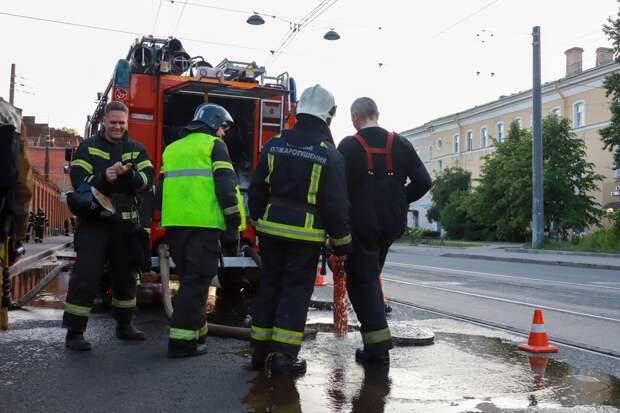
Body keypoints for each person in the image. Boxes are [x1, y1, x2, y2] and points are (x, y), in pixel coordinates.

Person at [248, 84, 352, 375]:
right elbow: (336, 205)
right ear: (329, 115)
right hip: (304, 237)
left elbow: (257, 188)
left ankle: (258, 352)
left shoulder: (275, 143)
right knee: (294, 293)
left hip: (270, 231)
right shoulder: (328, 154)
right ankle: (283, 357)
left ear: (299, 109)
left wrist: (257, 220)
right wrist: (343, 243)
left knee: (269, 286)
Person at [337, 97, 432, 365]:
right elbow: (424, 180)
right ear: (377, 114)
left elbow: (337, 188)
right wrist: (401, 200)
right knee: (371, 275)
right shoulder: (400, 143)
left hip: (362, 224)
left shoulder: (349, 145)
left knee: (361, 282)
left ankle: (377, 350)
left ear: (355, 116)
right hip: (391, 224)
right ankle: (377, 345)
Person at [62, 101, 154, 351]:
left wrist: (129, 176)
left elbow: (148, 179)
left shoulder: (136, 149)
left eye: (121, 123)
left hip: (125, 226)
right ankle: (75, 332)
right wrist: (105, 177)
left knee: (126, 277)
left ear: (127, 123)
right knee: (86, 277)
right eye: (113, 122)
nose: (117, 127)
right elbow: (79, 179)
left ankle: (125, 325)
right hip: (94, 224)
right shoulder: (88, 147)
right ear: (103, 122)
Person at [159, 103, 242, 358]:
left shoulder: (172, 148)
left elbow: (161, 189)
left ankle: (197, 334)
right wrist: (233, 223)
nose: (224, 134)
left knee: (190, 281)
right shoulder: (214, 146)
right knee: (196, 284)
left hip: (175, 226)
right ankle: (182, 343)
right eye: (223, 128)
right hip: (204, 226)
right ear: (214, 123)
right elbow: (226, 187)